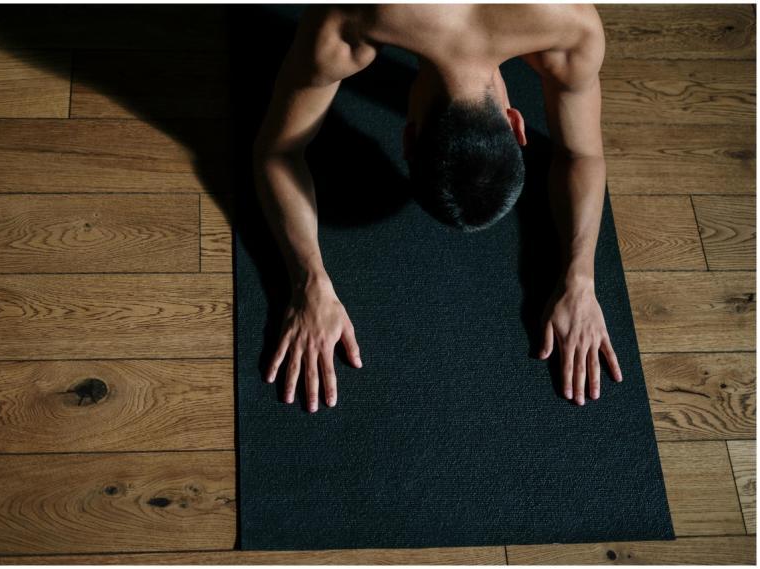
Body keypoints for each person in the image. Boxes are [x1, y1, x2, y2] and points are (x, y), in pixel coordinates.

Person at [252, 4, 623, 413]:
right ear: (517, 124)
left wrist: (582, 280)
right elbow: (276, 154)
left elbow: (582, 157)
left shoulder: (349, 21)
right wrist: (309, 283)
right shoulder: (572, 26)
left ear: (518, 126)